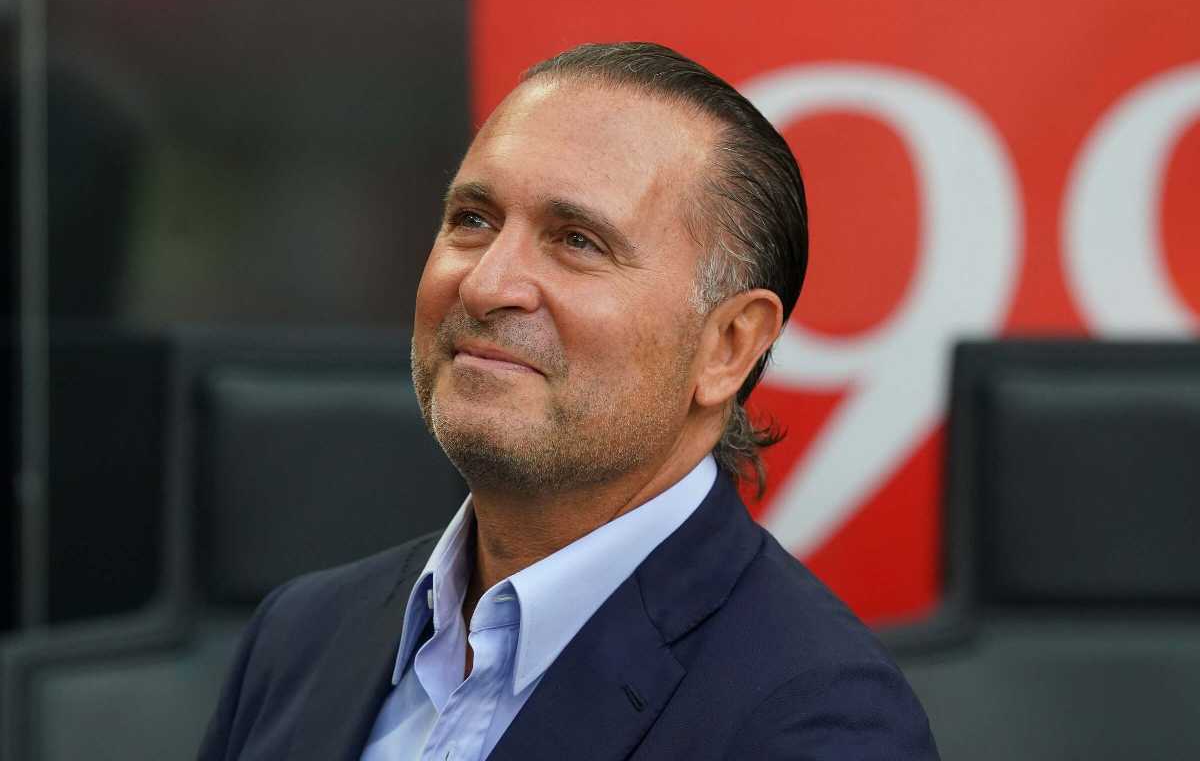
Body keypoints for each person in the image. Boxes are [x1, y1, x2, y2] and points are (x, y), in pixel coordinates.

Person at [198, 41, 939, 760]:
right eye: (473, 220)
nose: (486, 285)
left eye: (577, 241)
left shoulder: (820, 724)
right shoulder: (300, 636)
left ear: (728, 346)